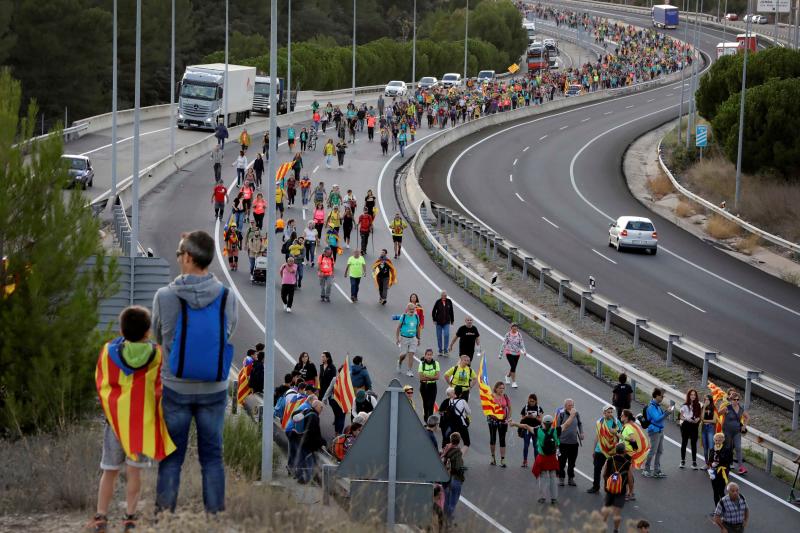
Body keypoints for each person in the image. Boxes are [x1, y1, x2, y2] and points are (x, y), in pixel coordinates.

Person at [154, 231, 238, 515]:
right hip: (213, 389)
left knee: (171, 457)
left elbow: (158, 335)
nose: (179, 259)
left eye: (180, 255)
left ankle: (165, 515)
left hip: (175, 388)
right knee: (213, 457)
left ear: (188, 258)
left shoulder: (165, 296)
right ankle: (214, 516)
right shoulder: (227, 297)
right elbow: (227, 333)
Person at [92, 306, 165, 533]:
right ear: (148, 332)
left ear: (122, 330)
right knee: (134, 473)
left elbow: (101, 381)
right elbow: (160, 387)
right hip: (140, 424)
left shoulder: (108, 352)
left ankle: (100, 517)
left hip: (115, 423)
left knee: (109, 471)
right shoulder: (156, 354)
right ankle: (129, 518)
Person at [511, 413, 565, 505]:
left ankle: (542, 497)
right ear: (552, 423)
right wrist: (572, 414)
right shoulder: (556, 430)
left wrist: (514, 424)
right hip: (552, 458)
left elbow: (525, 426)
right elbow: (567, 424)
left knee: (542, 478)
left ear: (543, 422)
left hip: (542, 458)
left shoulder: (538, 431)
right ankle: (554, 498)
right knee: (553, 478)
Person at [588, 405, 622, 494]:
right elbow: (597, 437)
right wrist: (594, 449)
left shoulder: (616, 421)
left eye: (611, 412)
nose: (610, 414)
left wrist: (615, 432)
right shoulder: (599, 422)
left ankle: (612, 487)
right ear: (604, 413)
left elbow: (621, 435)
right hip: (600, 449)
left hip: (612, 450)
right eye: (608, 412)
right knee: (597, 469)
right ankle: (596, 487)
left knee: (613, 470)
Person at [600, 442, 632, 533]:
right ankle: (616, 530)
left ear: (616, 450)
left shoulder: (610, 459)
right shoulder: (627, 463)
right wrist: (630, 491)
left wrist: (607, 484)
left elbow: (604, 474)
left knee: (606, 508)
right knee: (617, 512)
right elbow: (630, 480)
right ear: (624, 451)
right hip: (620, 491)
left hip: (610, 489)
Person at [642, 387, 674, 478]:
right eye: (661, 396)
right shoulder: (651, 407)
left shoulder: (657, 406)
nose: (662, 398)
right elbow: (657, 419)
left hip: (660, 430)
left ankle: (657, 470)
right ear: (656, 396)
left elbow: (659, 416)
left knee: (659, 451)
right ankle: (646, 469)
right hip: (654, 431)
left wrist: (665, 412)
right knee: (653, 451)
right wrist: (666, 413)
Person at [555, 398, 584, 487]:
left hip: (574, 443)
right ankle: (561, 478)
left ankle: (571, 479)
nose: (571, 407)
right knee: (561, 462)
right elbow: (557, 428)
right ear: (565, 406)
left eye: (572, 405)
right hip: (563, 443)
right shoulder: (561, 414)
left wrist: (581, 432)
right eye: (569, 405)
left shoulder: (576, 413)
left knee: (572, 463)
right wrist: (557, 442)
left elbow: (580, 423)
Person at [296, 400, 325, 484]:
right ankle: (309, 480)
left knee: (302, 460)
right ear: (316, 406)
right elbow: (314, 432)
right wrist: (321, 443)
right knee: (310, 462)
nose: (322, 409)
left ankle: (300, 477)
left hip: (302, 440)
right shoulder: (314, 416)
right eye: (321, 407)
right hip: (308, 443)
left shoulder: (307, 412)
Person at [441, 432, 466, 527]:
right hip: (455, 479)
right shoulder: (457, 452)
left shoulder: (446, 449)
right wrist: (463, 469)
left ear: (451, 440)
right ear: (459, 441)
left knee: (446, 501)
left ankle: (443, 519)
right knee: (453, 502)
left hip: (446, 479)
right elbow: (458, 467)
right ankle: (448, 522)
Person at [723, 390, 749, 474]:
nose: (736, 401)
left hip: (737, 431)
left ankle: (741, 467)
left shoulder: (741, 409)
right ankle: (724, 465)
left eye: (738, 400)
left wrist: (744, 426)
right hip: (727, 431)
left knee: (738, 448)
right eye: (734, 399)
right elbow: (718, 414)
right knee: (727, 448)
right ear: (731, 400)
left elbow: (747, 417)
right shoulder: (727, 408)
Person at [439, 387, 471, 452]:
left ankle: (445, 456)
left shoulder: (450, 401)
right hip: (461, 424)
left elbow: (441, 411)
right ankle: (459, 456)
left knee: (450, 442)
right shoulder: (462, 401)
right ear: (461, 394)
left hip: (452, 425)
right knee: (467, 443)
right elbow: (469, 412)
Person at [318, 352, 344, 434]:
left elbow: (330, 388)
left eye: (323, 356)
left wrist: (325, 397)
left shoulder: (332, 369)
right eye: (321, 356)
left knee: (338, 415)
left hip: (333, 396)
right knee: (340, 417)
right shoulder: (321, 366)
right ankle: (338, 432)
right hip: (324, 390)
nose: (322, 358)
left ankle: (337, 432)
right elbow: (320, 377)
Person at [487, 382, 511, 467]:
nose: (502, 390)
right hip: (493, 420)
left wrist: (508, 418)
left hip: (503, 421)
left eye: (503, 388)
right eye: (500, 388)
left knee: (502, 439)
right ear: (496, 388)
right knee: (493, 439)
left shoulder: (505, 396)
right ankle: (493, 457)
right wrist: (492, 415)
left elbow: (509, 407)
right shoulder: (491, 397)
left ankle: (503, 459)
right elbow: (487, 408)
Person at [396, 303, 421, 377]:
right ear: (407, 309)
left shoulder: (416, 317)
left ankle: (409, 370)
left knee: (411, 353)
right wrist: (397, 338)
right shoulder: (403, 317)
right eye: (410, 309)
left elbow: (418, 328)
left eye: (413, 309)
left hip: (413, 338)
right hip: (404, 338)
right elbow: (398, 328)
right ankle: (399, 362)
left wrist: (418, 338)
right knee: (403, 354)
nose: (412, 311)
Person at [519, 393, 544, 468]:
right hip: (527, 428)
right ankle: (525, 461)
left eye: (532, 401)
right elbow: (521, 419)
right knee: (526, 446)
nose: (531, 402)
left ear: (536, 401)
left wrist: (534, 417)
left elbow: (541, 420)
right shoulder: (526, 407)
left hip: (536, 429)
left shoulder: (539, 408)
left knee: (536, 447)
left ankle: (536, 462)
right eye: (530, 401)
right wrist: (527, 416)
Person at [709, 432, 734, 506]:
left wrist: (719, 459)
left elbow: (730, 461)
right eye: (716, 440)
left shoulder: (727, 449)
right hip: (713, 471)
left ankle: (725, 508)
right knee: (715, 491)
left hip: (723, 471)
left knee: (721, 491)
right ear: (714, 440)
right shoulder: (712, 449)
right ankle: (717, 509)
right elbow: (709, 460)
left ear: (723, 440)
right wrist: (711, 464)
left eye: (719, 440)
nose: (717, 442)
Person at [680, 388, 702, 470]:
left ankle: (694, 462)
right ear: (689, 396)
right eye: (691, 394)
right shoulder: (685, 405)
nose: (693, 396)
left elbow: (699, 415)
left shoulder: (698, 405)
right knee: (684, 442)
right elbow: (681, 416)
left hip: (694, 426)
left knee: (693, 443)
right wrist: (686, 418)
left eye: (694, 395)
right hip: (686, 424)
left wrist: (697, 419)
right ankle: (682, 460)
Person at [500, 323, 526, 388]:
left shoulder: (519, 335)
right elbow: (504, 344)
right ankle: (514, 382)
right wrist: (500, 353)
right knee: (513, 366)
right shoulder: (508, 335)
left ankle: (508, 376)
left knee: (513, 367)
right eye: (513, 328)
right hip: (509, 352)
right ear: (511, 328)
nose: (514, 329)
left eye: (516, 328)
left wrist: (524, 350)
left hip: (517, 353)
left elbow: (522, 343)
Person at [418, 348, 441, 422]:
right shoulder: (422, 364)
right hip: (424, 386)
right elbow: (421, 378)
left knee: (431, 404)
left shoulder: (436, 363)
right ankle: (425, 419)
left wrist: (427, 377)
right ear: (425, 356)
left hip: (432, 386)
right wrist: (432, 377)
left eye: (431, 355)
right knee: (425, 403)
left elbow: (437, 377)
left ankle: (430, 421)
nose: (429, 356)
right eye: (428, 355)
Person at [431, 291, 455, 357]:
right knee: (439, 336)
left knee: (446, 334)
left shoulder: (449, 301)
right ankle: (440, 350)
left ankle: (446, 350)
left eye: (445, 295)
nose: (444, 296)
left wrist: (452, 320)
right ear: (441, 295)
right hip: (438, 322)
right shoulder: (438, 302)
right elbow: (433, 311)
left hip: (446, 322)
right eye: (443, 295)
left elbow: (451, 311)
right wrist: (434, 319)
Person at [702, 393, 717, 466]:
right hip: (704, 428)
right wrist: (704, 407)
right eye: (705, 399)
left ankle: (710, 463)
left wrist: (706, 421)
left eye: (708, 399)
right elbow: (701, 418)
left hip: (711, 428)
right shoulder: (703, 408)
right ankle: (706, 463)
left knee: (711, 447)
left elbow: (714, 421)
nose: (706, 401)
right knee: (705, 447)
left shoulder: (713, 408)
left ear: (710, 400)